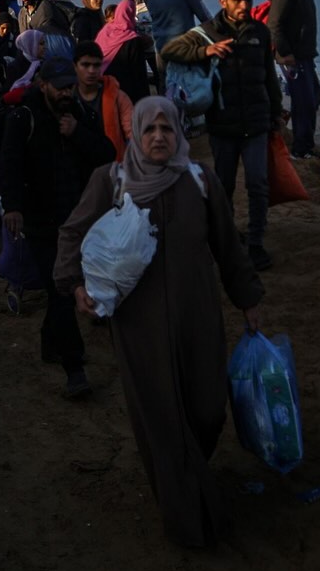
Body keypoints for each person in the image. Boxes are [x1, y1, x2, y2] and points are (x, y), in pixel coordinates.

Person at [55, 96, 264, 546]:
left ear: (179, 134)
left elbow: (228, 246)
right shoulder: (111, 180)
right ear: (135, 134)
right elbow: (72, 232)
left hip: (198, 315)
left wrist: (248, 298)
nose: (157, 138)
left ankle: (186, 476)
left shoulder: (200, 180)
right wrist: (74, 285)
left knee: (208, 410)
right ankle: (188, 518)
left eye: (167, 130)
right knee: (162, 419)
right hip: (139, 326)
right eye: (149, 130)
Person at [0, 58, 115, 398]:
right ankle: (74, 367)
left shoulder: (78, 114)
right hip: (41, 221)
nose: (66, 92)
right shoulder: (24, 117)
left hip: (79, 221)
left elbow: (106, 154)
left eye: (69, 86)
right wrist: (13, 206)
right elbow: (10, 163)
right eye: (60, 86)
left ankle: (51, 341)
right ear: (43, 85)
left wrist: (77, 133)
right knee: (62, 290)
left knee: (58, 291)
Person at [165, 0, 283, 271]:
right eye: (238, 1)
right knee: (224, 187)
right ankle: (229, 239)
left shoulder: (259, 32)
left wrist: (277, 113)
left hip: (256, 123)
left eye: (248, 0)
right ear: (223, 3)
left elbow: (270, 76)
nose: (244, 6)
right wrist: (203, 52)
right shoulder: (207, 32)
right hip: (222, 125)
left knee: (258, 184)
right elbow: (169, 50)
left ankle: (255, 243)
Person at [267, 0, 320, 159]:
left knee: (314, 96)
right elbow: (274, 24)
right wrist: (286, 53)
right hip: (293, 58)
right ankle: (300, 149)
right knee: (304, 100)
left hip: (305, 56)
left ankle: (306, 144)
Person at [140, 0, 209, 81]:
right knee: (189, 86)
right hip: (183, 45)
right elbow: (202, 13)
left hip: (161, 46)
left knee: (166, 85)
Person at [71, 39, 134, 162]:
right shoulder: (67, 97)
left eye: (96, 65)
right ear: (75, 66)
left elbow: (133, 133)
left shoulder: (118, 97)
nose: (91, 71)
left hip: (113, 167)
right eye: (85, 65)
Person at [93, 0, 152, 105]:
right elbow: (139, 72)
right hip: (126, 89)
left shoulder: (105, 31)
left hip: (103, 83)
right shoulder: (133, 39)